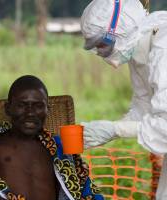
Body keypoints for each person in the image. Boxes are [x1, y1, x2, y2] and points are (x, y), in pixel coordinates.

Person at [80, 0, 167, 199]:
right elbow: (144, 106)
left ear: (120, 30)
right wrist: (108, 129)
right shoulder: (141, 48)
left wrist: (115, 129)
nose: (101, 54)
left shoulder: (164, 48)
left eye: (102, 45)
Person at [0, 75, 104, 200]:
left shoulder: (60, 148)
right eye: (22, 105)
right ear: (8, 108)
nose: (30, 113)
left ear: (47, 110)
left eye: (38, 106)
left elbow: (84, 189)